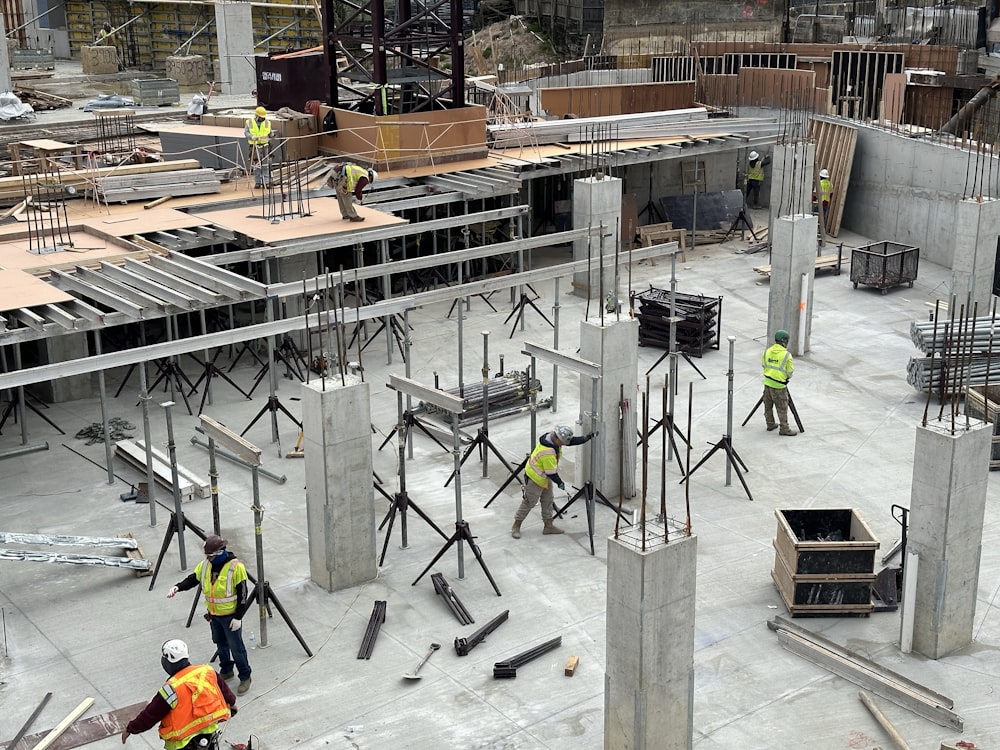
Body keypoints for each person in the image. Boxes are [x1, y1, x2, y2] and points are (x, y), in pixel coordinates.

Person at [167, 536, 252, 695]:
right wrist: (178, 587)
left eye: (211, 555)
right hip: (214, 615)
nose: (208, 558)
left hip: (230, 617)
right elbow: (193, 579)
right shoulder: (206, 565)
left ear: (220, 552)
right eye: (207, 555)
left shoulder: (236, 567)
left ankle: (245, 676)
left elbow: (243, 594)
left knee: (237, 648)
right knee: (220, 643)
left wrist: (238, 617)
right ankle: (226, 670)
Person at [121, 639, 236, 750]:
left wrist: (131, 728)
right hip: (208, 736)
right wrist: (232, 704)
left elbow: (151, 715)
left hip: (182, 744)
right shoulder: (207, 671)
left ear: (168, 661)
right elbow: (225, 692)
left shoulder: (171, 689)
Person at [512, 425, 597, 538]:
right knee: (529, 502)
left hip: (544, 477)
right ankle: (516, 526)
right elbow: (551, 473)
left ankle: (548, 526)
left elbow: (570, 441)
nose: (563, 444)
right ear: (557, 439)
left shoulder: (552, 436)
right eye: (562, 442)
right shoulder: (547, 453)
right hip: (535, 479)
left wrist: (585, 438)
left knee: (548, 500)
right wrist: (560, 483)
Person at [762, 329, 797, 436]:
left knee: (768, 405)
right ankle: (784, 428)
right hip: (779, 385)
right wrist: (785, 377)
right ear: (784, 341)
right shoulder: (786, 355)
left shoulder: (767, 351)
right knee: (782, 407)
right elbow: (790, 372)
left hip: (767, 383)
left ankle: (770, 424)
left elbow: (764, 365)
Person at [244, 106, 271, 188]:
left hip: (265, 146)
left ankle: (266, 182)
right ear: (257, 116)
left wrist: (272, 134)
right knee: (256, 165)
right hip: (254, 147)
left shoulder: (267, 123)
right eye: (261, 117)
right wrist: (251, 137)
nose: (262, 119)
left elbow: (269, 132)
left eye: (263, 117)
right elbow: (246, 133)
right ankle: (258, 182)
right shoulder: (249, 122)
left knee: (265, 165)